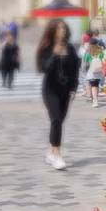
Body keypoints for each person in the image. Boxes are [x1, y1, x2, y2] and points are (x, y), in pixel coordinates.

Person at [37, 19, 80, 170]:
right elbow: (44, 68)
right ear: (53, 31)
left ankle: (50, 152)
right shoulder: (47, 48)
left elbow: (75, 70)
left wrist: (74, 88)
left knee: (59, 120)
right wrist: (55, 54)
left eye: (64, 28)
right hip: (50, 90)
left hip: (65, 90)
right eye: (59, 28)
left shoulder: (70, 48)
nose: (62, 30)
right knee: (56, 119)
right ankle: (57, 155)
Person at [83, 40, 106, 107]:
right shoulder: (101, 52)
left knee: (93, 86)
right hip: (99, 72)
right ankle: (95, 99)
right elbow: (103, 61)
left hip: (91, 72)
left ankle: (95, 100)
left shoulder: (88, 53)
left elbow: (86, 63)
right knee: (96, 85)